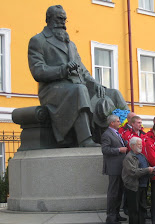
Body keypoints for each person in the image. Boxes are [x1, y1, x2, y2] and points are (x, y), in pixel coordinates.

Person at [28, 5, 128, 147]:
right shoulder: (38, 41)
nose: (63, 22)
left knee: (114, 94)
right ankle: (85, 139)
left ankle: (124, 132)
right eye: (59, 18)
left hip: (77, 85)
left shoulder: (71, 45)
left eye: (65, 19)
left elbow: (83, 71)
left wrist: (96, 84)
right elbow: (38, 71)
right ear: (48, 19)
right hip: (53, 90)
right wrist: (63, 70)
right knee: (79, 90)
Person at [122, 137, 155, 224]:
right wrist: (147, 170)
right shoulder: (129, 157)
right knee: (134, 210)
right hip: (133, 187)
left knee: (142, 209)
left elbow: (145, 169)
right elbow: (133, 172)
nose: (141, 146)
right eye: (138, 144)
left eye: (141, 144)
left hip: (143, 185)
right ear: (132, 146)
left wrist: (153, 172)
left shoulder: (141, 155)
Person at [101, 115, 127, 224]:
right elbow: (105, 149)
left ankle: (116, 214)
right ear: (112, 123)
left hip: (120, 167)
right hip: (113, 167)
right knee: (113, 192)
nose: (119, 122)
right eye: (117, 121)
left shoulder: (117, 133)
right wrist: (119, 149)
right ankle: (110, 216)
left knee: (119, 192)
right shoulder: (107, 134)